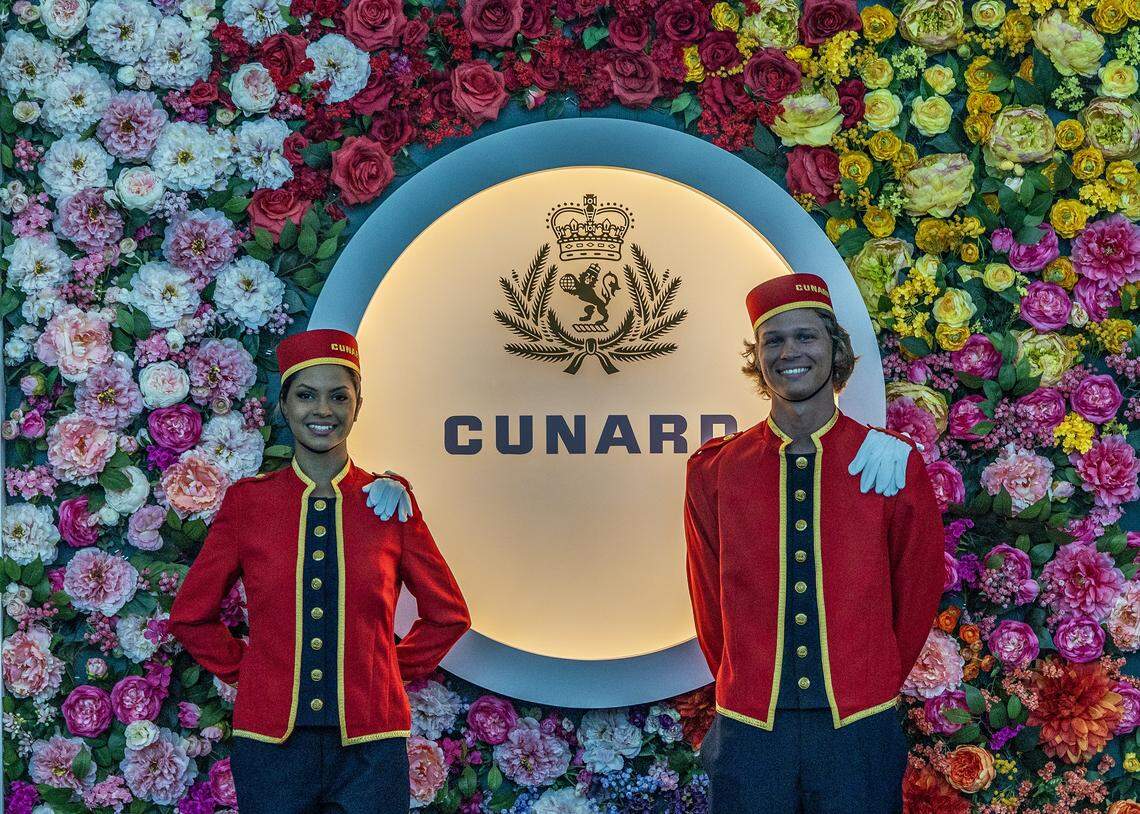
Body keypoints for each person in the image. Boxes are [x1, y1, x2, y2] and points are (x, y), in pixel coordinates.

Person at [170, 328, 471, 814]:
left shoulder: (388, 503)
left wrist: (384, 671)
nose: (323, 410)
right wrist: (253, 673)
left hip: (371, 747)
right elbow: (190, 616)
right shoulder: (249, 503)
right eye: (306, 395)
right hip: (270, 746)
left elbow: (449, 615)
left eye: (339, 396)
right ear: (284, 405)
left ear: (358, 406)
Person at [684, 274, 945, 813]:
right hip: (749, 730)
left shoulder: (887, 462)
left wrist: (870, 680)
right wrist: (747, 676)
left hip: (859, 728)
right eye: (773, 341)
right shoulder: (716, 470)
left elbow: (917, 590)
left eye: (805, 337)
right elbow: (708, 598)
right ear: (757, 358)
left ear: (835, 349)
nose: (789, 352)